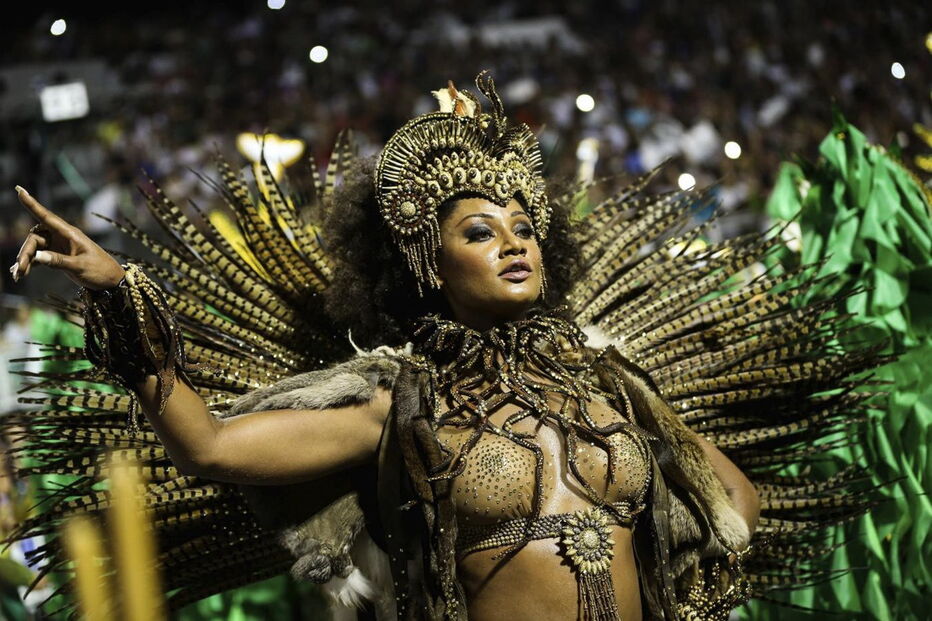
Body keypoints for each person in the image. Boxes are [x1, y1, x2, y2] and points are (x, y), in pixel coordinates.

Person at [7, 73, 880, 620]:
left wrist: (693, 594)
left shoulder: (605, 375)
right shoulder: (399, 402)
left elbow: (729, 493)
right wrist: (120, 291)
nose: (515, 241)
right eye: (479, 229)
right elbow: (210, 447)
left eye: (525, 226)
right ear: (427, 258)